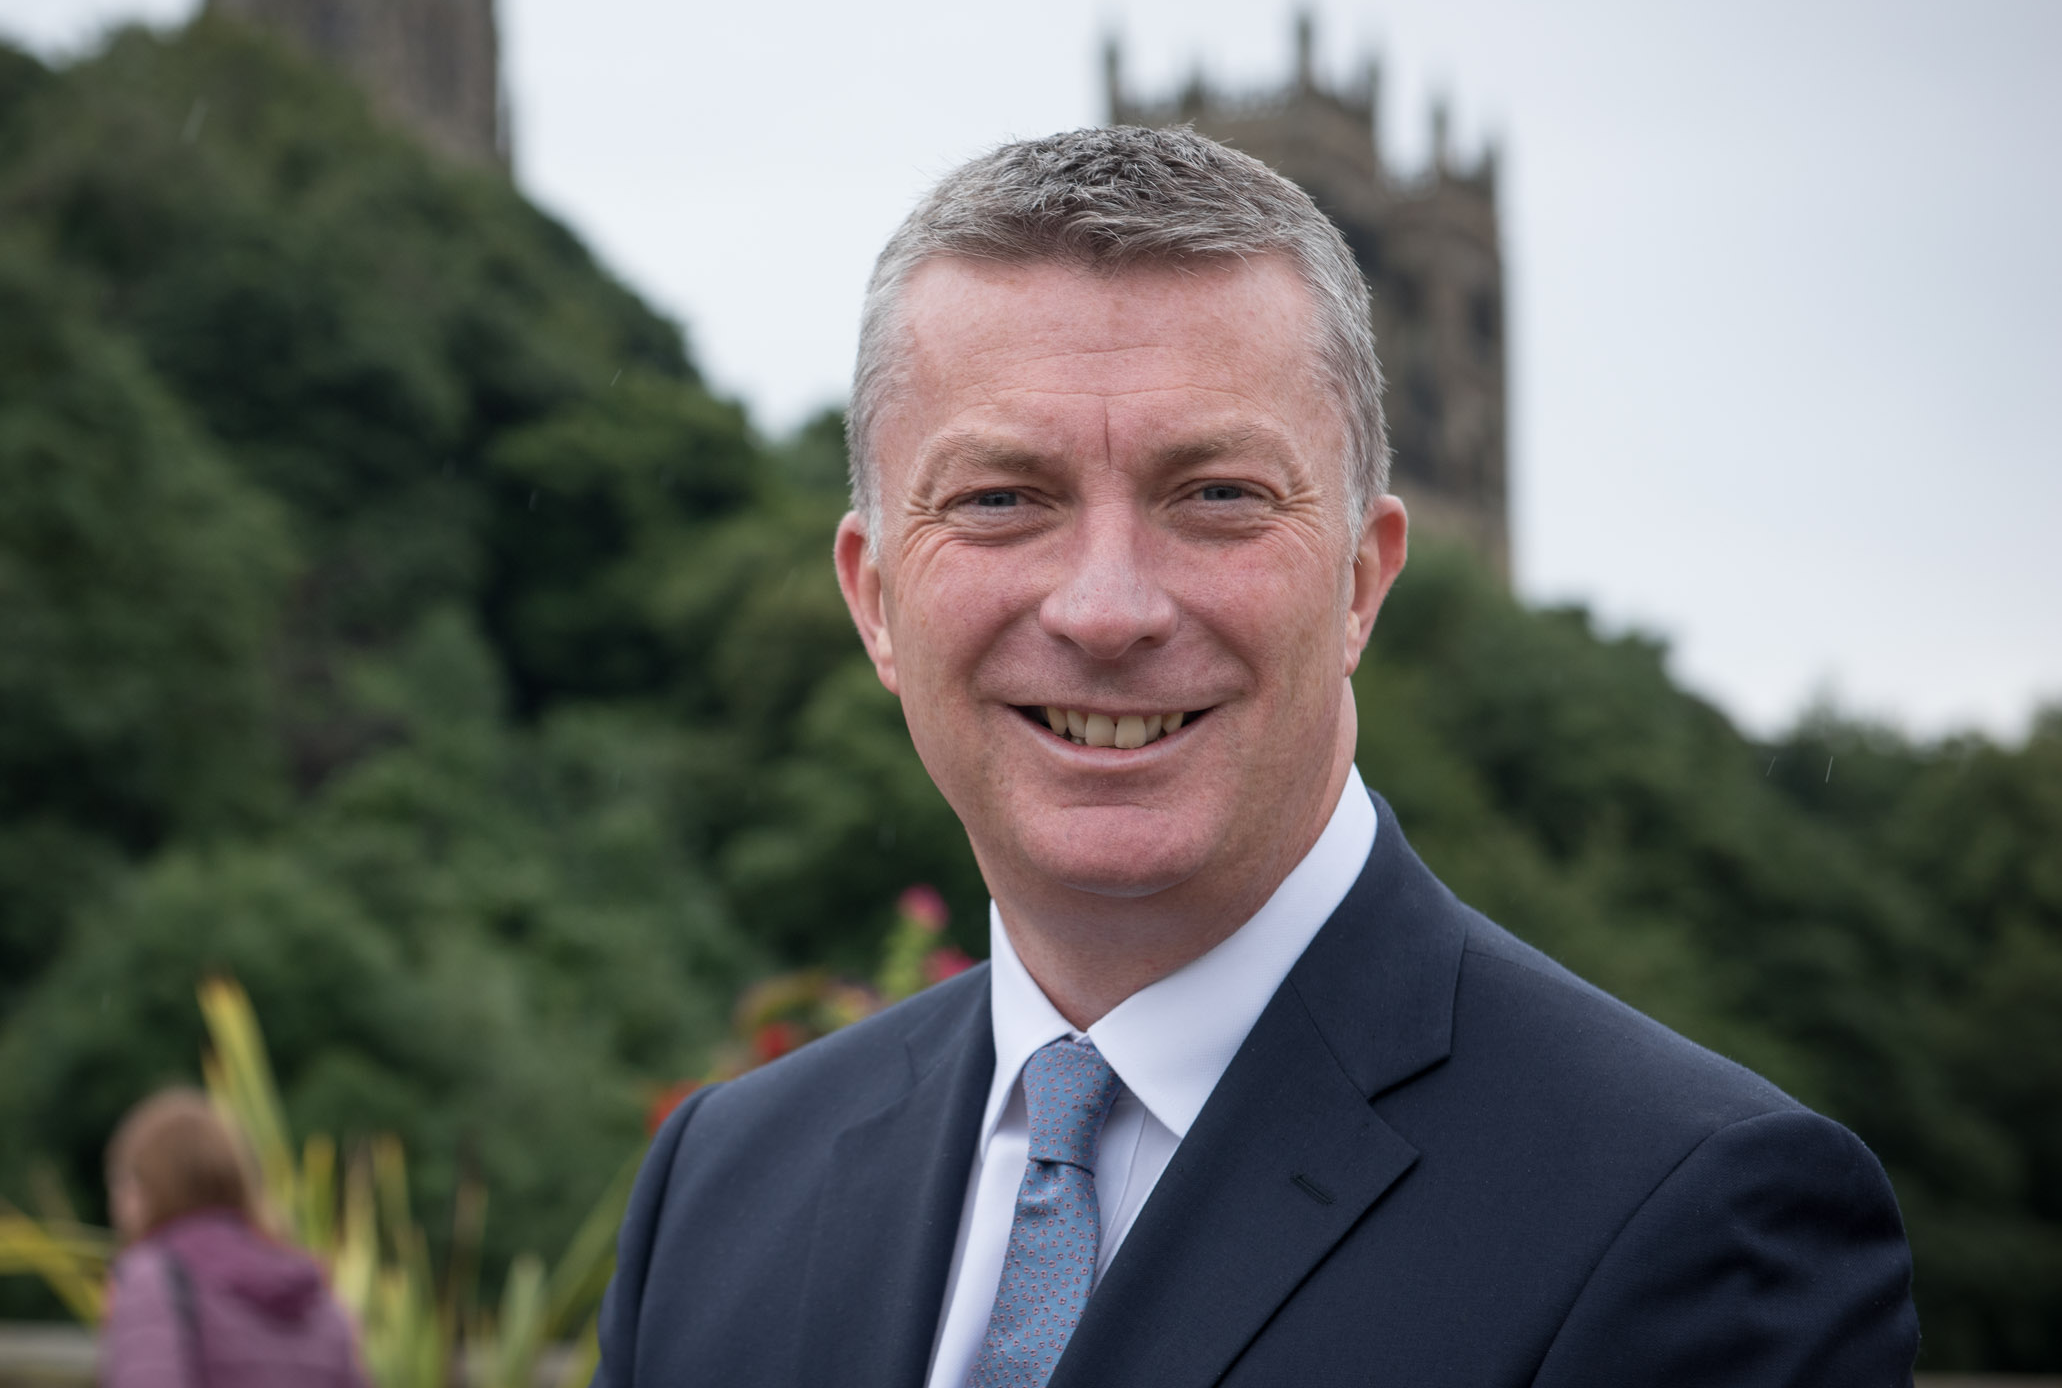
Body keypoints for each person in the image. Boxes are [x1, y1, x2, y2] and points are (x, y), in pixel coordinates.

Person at [593, 127, 1917, 1386]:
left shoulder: (1694, 1214)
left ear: (1359, 579)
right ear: (874, 599)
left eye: (1215, 496)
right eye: (1000, 499)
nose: (1106, 609)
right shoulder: (720, 1189)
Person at [100, 1087, 370, 1388]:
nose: (118, 1203)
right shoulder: (319, 1300)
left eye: (124, 1181)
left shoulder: (155, 1278)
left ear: (151, 1189)